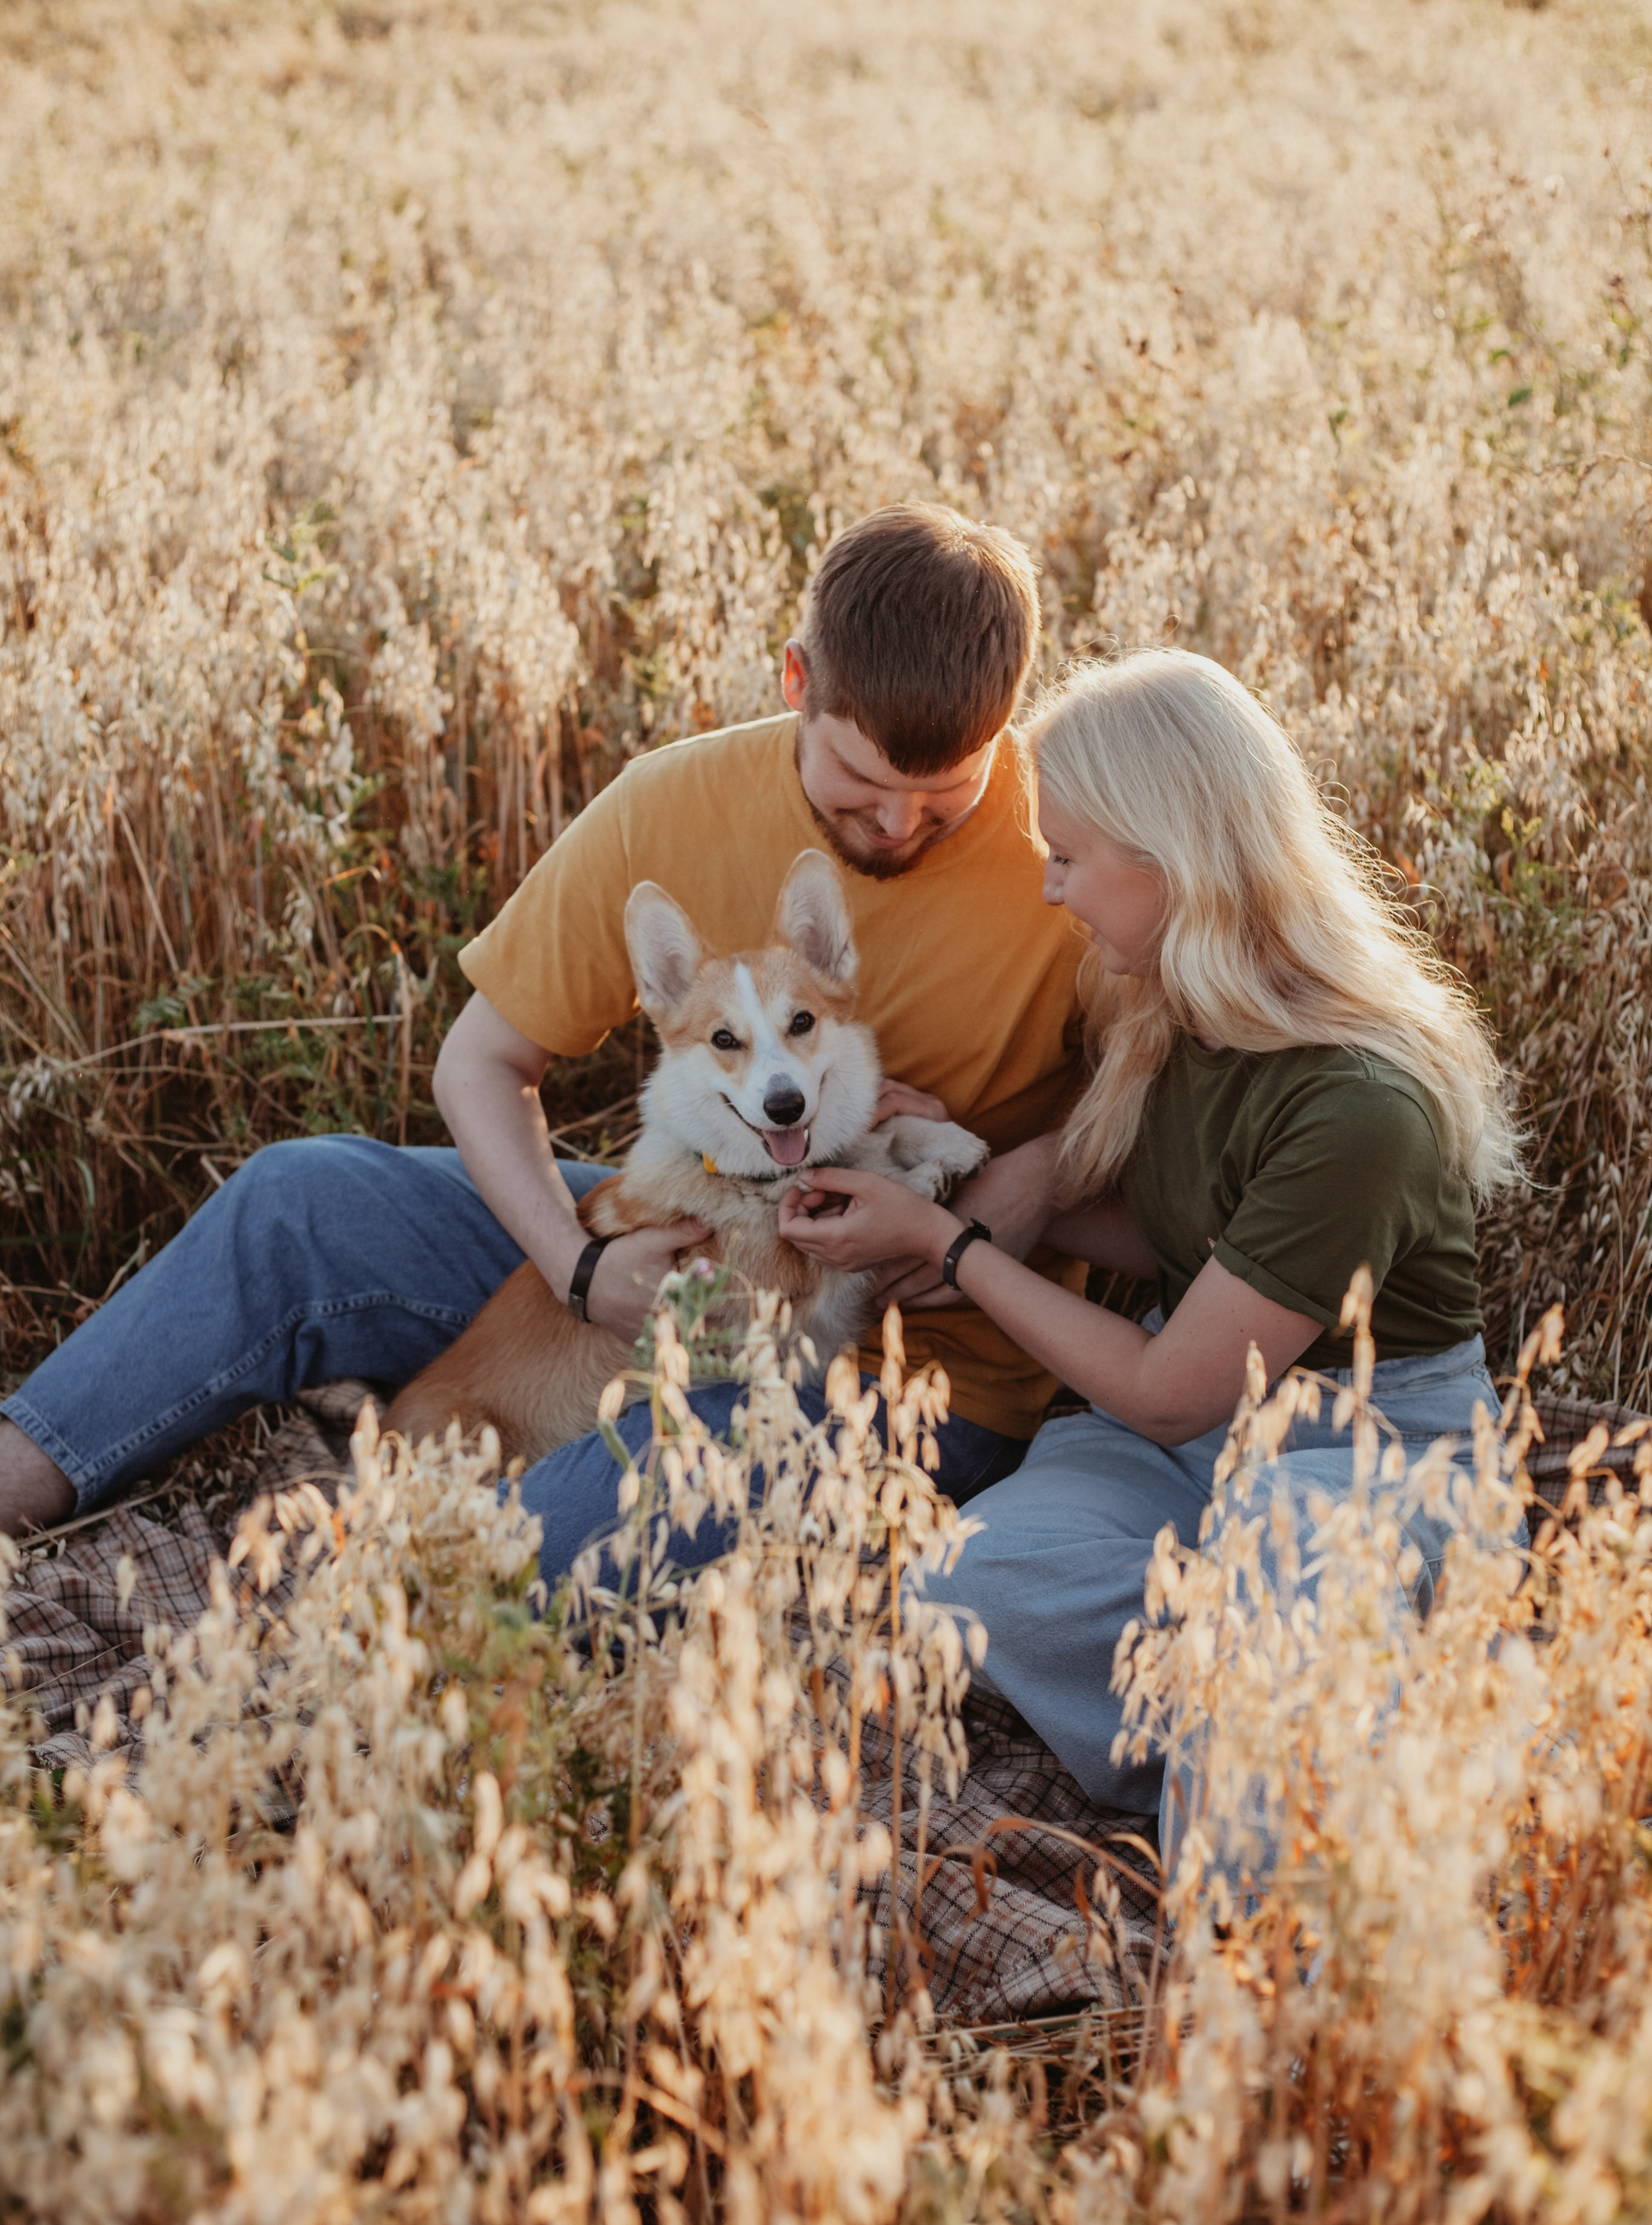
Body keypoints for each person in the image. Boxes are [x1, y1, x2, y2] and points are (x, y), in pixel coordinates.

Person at [0, 503, 1091, 1572]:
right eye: (861, 781)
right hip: (685, 1234)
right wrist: (579, 1269)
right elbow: (483, 1064)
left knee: (530, 1556)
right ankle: (21, 1477)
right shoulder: (672, 800)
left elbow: (1208, 1172)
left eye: (944, 794)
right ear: (798, 681)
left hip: (911, 1363)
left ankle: (454, 1555)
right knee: (297, 1202)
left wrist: (1032, 1180)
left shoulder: (1076, 852)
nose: (899, 825)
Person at [778, 647, 1522, 1836]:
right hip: (1194, 1432)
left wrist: (953, 1248)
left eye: (1067, 859)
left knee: (1281, 1548)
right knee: (973, 1584)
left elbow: (1172, 1392)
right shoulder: (1168, 997)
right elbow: (1185, 1229)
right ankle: (1275, 1722)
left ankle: (1249, 1856)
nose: (1050, 892)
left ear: (1169, 861)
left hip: (1364, 1435)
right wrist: (958, 1162)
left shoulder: (1358, 1107)